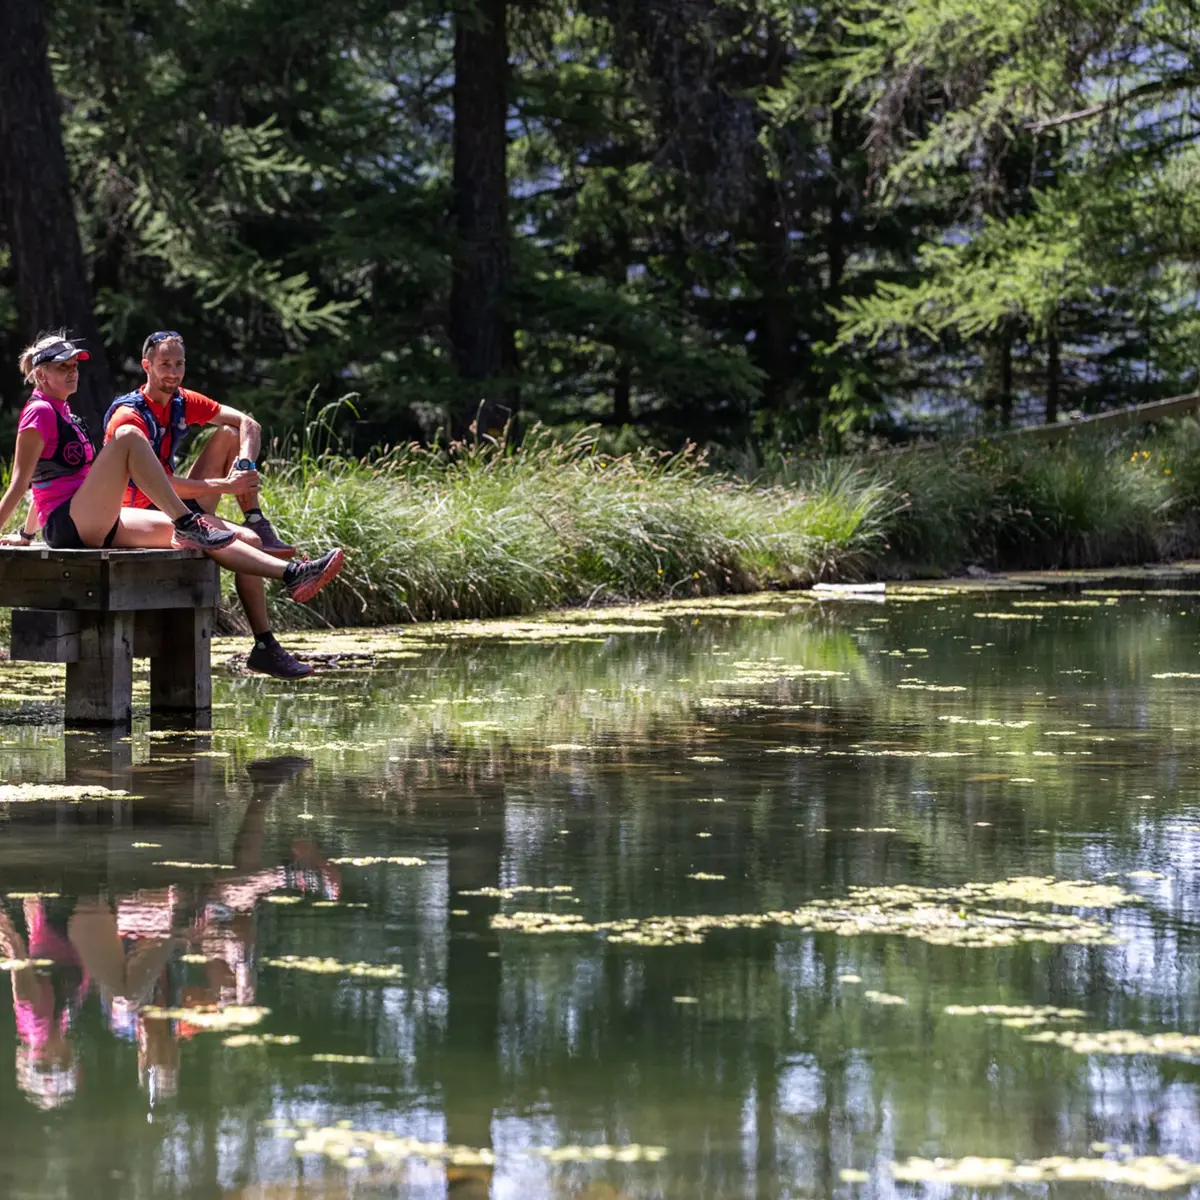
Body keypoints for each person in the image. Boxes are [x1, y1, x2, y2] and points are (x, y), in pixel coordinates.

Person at [0, 332, 345, 645]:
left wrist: (27, 535)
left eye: (74, 365)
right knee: (129, 438)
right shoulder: (39, 413)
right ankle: (185, 520)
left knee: (204, 533)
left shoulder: (63, 410)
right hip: (70, 524)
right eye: (63, 367)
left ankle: (294, 574)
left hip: (92, 517)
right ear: (41, 374)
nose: (72, 372)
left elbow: (51, 481)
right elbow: (20, 483)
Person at [103, 330, 325, 679]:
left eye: (179, 364)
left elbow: (249, 423)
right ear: (146, 366)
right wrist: (225, 485)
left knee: (230, 436)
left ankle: (254, 517)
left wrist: (245, 466)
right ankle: (266, 642)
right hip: (138, 514)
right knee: (248, 544)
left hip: (173, 505)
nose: (173, 372)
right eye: (165, 364)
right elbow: (155, 482)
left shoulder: (181, 400)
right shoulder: (128, 417)